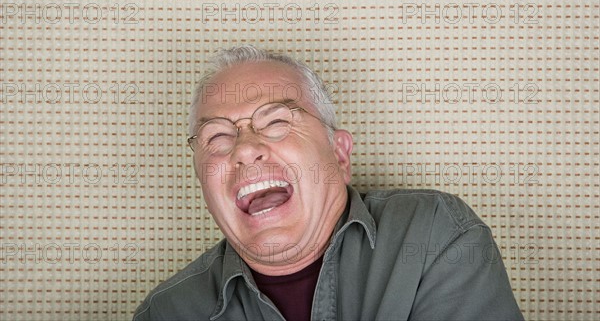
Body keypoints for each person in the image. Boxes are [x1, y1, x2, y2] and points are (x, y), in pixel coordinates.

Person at [133, 45, 524, 321]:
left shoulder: (434, 235)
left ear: (339, 154)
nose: (244, 150)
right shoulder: (167, 311)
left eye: (276, 122)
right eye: (217, 137)